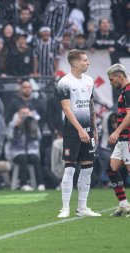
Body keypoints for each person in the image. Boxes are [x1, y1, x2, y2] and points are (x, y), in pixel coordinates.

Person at [56, 49, 101, 218]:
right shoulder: (64, 82)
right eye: (84, 60)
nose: (88, 63)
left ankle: (82, 207)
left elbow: (91, 106)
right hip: (72, 132)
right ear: (75, 63)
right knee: (70, 168)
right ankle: (65, 208)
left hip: (88, 131)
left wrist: (94, 128)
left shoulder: (89, 81)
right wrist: (80, 130)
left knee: (87, 168)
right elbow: (66, 108)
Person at [105, 63, 130, 216]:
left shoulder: (128, 91)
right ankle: (123, 204)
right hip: (123, 139)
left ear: (120, 76)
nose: (111, 82)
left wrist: (117, 131)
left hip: (127, 137)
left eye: (112, 79)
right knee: (111, 169)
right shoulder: (124, 91)